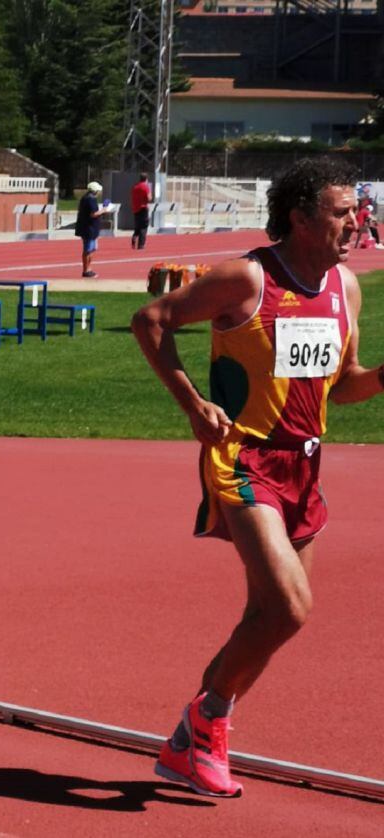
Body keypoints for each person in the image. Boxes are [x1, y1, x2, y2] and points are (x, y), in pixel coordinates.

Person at [131, 158, 384, 797]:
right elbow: (151, 320)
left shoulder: (346, 289)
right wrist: (192, 404)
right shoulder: (247, 278)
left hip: (305, 465)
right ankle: (210, 718)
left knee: (264, 618)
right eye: (342, 211)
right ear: (300, 217)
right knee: (290, 609)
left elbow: (344, 387)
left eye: (357, 210)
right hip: (241, 457)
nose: (357, 221)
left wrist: (383, 378)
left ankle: (189, 743)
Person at [75, 181, 110, 277]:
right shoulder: (90, 199)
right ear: (95, 191)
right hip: (88, 228)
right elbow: (93, 214)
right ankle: (86, 270)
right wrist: (103, 210)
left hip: (89, 228)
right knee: (88, 250)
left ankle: (88, 268)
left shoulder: (86, 198)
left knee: (91, 249)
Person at [130, 173, 151, 251]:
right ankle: (141, 245)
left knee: (137, 226)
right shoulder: (145, 187)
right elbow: (149, 198)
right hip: (143, 208)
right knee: (144, 227)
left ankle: (134, 236)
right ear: (146, 179)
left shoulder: (135, 187)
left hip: (136, 209)